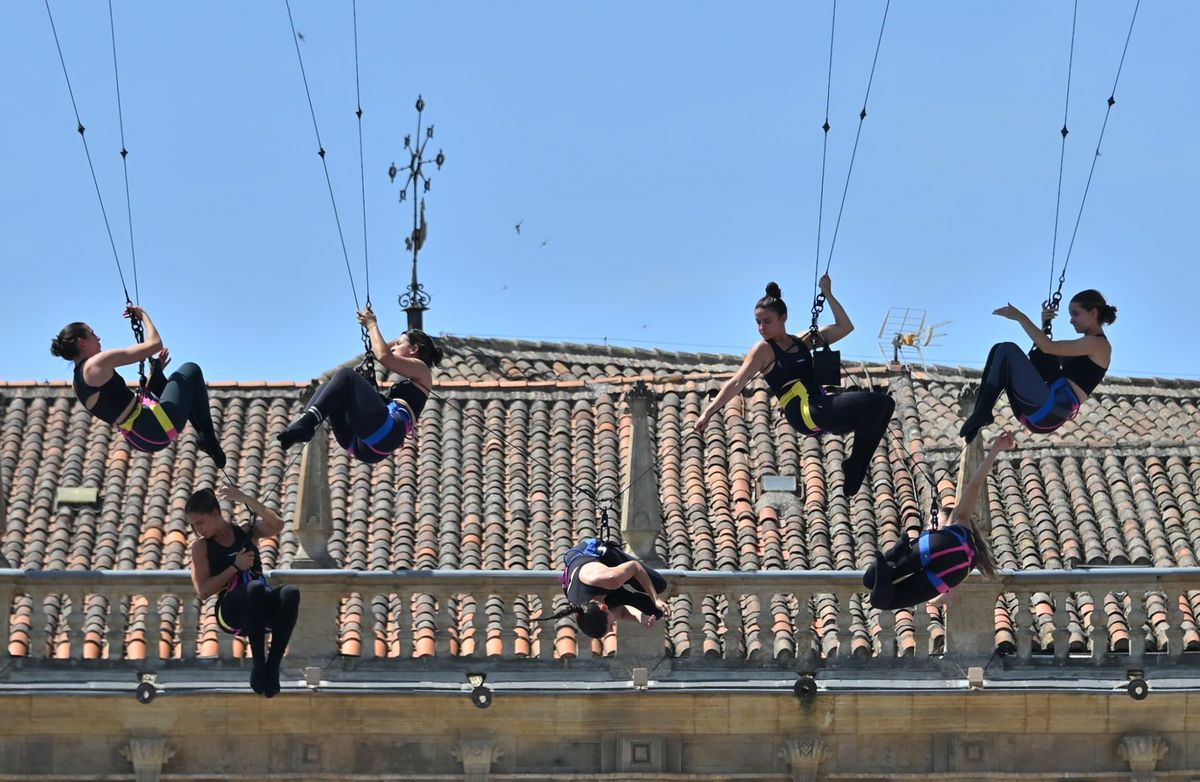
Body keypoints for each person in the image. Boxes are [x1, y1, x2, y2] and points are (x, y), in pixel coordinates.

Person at [696, 276, 895, 496]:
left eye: (767, 321)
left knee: (883, 406)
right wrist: (707, 413)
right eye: (758, 322)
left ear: (784, 318)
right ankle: (855, 467)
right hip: (805, 412)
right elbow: (736, 382)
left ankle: (855, 467)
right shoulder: (763, 350)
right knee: (879, 403)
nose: (761, 328)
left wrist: (827, 293)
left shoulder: (803, 341)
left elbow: (845, 327)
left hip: (821, 409)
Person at [50, 307, 226, 466]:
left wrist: (154, 374)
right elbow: (155, 344)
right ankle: (208, 438)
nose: (98, 338)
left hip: (140, 438)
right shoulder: (96, 363)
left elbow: (119, 407)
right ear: (82, 342)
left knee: (176, 385)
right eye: (93, 334)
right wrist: (143, 315)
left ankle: (203, 434)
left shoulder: (77, 383)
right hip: (156, 427)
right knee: (190, 369)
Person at [863, 432, 1011, 610]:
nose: (930, 525)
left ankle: (895, 552)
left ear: (947, 516)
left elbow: (974, 484)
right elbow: (976, 485)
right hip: (943, 577)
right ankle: (889, 563)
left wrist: (995, 450)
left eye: (934, 520)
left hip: (934, 548)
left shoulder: (958, 519)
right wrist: (996, 450)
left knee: (869, 579)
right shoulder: (970, 553)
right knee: (880, 600)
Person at [278, 307, 442, 463]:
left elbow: (383, 356)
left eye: (399, 343)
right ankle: (305, 422)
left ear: (413, 349)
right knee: (327, 387)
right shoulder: (407, 382)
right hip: (361, 445)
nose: (394, 347)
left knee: (346, 375)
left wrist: (371, 324)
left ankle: (306, 424)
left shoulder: (422, 370)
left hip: (384, 434)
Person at [187, 484, 300, 698]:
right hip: (230, 611)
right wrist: (235, 567)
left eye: (201, 523)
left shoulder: (245, 531)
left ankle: (272, 665)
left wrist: (245, 499)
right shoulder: (201, 547)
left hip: (259, 606)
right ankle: (258, 663)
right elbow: (202, 591)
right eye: (193, 526)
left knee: (290, 592)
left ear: (216, 514)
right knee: (254, 588)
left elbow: (277, 524)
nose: (198, 530)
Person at [960, 290, 1115, 443]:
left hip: (1050, 411)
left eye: (1075, 314)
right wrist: (1045, 324)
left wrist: (1020, 317)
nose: (1071, 320)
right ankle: (981, 411)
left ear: (1093, 314)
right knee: (998, 351)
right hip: (1037, 413)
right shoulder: (1085, 345)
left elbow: (1048, 347)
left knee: (1007, 349)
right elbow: (1043, 354)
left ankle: (982, 411)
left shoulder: (1099, 344)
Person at [553, 538, 670, 639]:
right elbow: (623, 612)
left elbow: (635, 567)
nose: (612, 629)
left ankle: (623, 575)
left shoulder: (608, 579)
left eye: (610, 626)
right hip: (597, 590)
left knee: (658, 585)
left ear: (604, 608)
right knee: (655, 612)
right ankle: (626, 586)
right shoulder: (585, 615)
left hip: (593, 553)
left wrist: (656, 599)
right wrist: (641, 618)